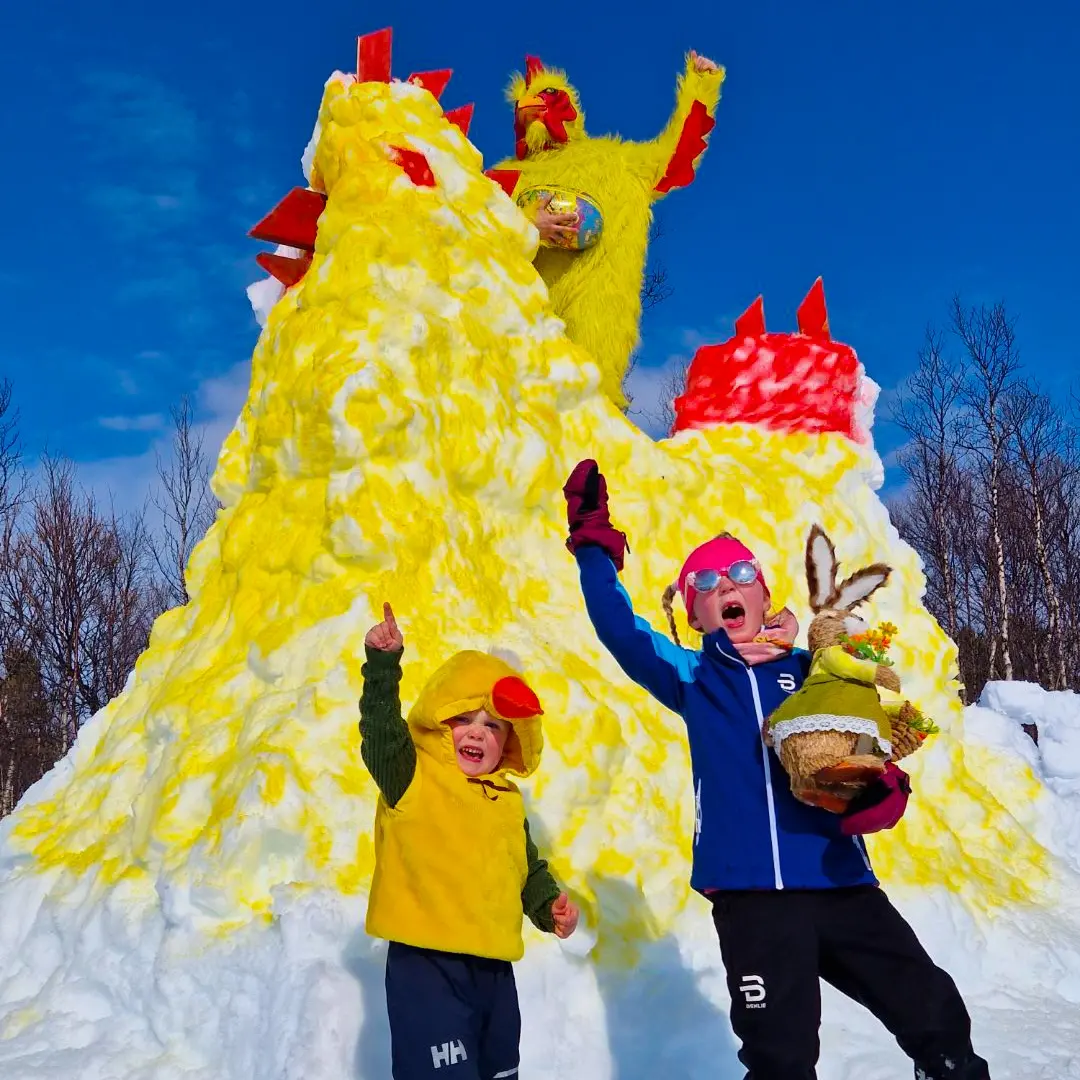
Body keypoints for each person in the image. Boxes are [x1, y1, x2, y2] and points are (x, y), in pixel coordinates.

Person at [561, 459, 991, 1080]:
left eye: (739, 574)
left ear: (763, 594)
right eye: (703, 583)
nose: (724, 586)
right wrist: (594, 545)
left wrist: (881, 782)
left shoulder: (820, 668)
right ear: (694, 611)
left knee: (930, 1007)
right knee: (780, 1055)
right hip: (752, 897)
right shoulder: (695, 676)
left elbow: (865, 736)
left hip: (840, 880)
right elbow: (619, 629)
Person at [359, 602, 579, 1080]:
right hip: (428, 967)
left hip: (494, 971)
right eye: (464, 719)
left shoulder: (506, 799)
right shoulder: (411, 774)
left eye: (493, 725)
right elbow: (379, 735)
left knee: (499, 1072)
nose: (477, 733)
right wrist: (383, 668)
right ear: (440, 720)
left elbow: (524, 866)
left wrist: (548, 906)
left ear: (511, 740)